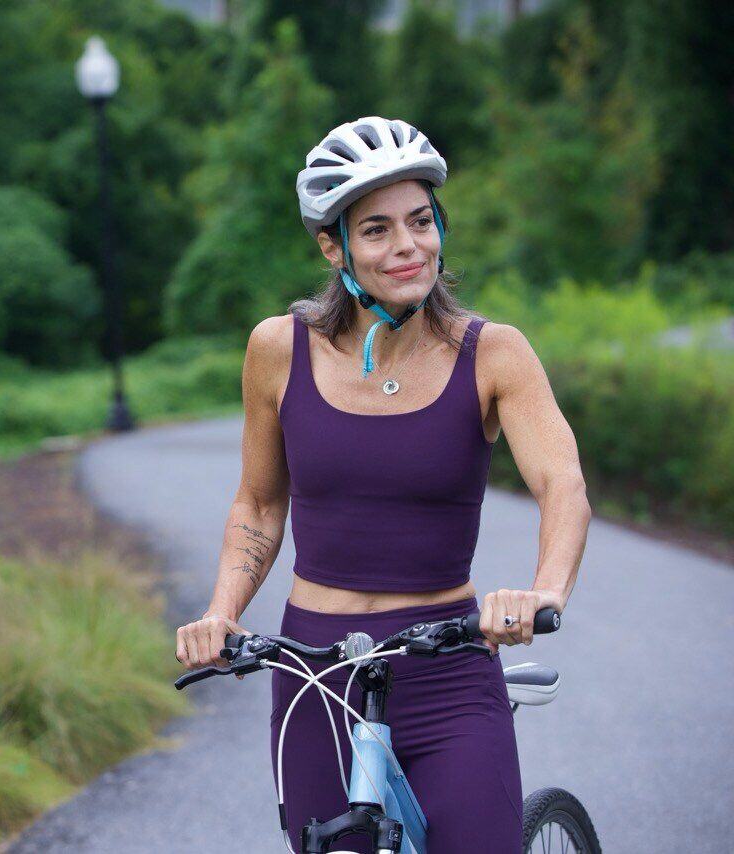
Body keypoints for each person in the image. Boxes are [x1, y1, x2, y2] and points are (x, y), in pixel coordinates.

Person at [174, 117, 591, 852]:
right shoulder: (278, 350)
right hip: (315, 674)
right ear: (332, 246)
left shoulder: (493, 354)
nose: (408, 246)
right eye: (377, 229)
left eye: (421, 221)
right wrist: (222, 613)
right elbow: (261, 503)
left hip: (448, 670)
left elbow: (563, 484)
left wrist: (543, 592)